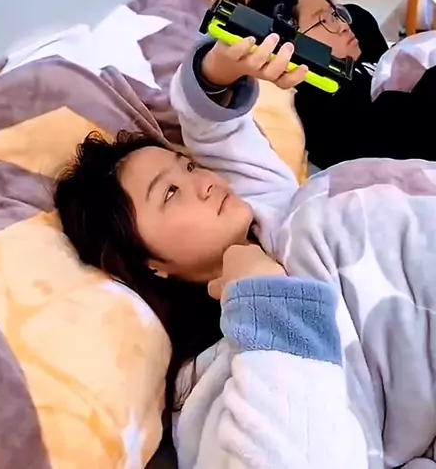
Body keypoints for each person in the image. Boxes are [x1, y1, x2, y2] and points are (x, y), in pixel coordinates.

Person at [56, 34, 436, 468]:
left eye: (189, 166)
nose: (204, 182)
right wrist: (265, 298)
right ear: (151, 264)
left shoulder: (267, 206)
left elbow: (217, 129)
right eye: (170, 193)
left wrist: (220, 68)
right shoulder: (220, 369)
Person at [248, 0, 436, 169]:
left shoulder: (360, 28)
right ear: (289, 46)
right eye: (323, 21)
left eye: (335, 14)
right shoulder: (321, 106)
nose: (343, 26)